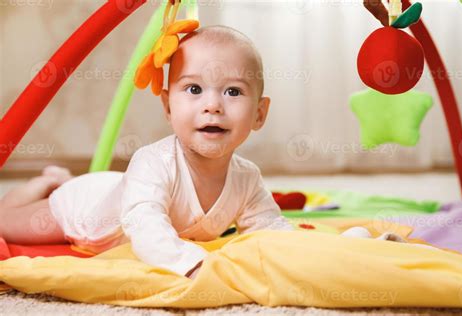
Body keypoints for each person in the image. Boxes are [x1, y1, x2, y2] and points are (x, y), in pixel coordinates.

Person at [0, 25, 294, 279]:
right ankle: (49, 184)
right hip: (84, 209)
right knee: (7, 222)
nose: (213, 105)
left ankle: (60, 179)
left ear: (259, 113)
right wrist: (189, 264)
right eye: (194, 89)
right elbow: (145, 226)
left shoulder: (247, 177)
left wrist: (301, 253)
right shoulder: (153, 162)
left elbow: (268, 228)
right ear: (167, 106)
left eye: (233, 91)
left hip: (119, 187)